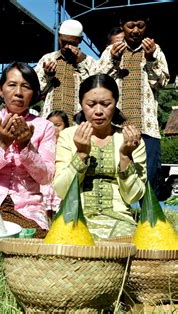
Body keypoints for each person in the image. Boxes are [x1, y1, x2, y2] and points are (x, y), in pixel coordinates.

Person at [0, 62, 56, 237]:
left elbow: (45, 178)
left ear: (34, 93)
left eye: (26, 87)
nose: (19, 93)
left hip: (27, 207)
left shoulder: (44, 127)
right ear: (0, 89)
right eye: (12, 85)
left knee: (31, 241)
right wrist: (2, 146)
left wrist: (26, 148)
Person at [54, 74, 147, 239]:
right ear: (81, 105)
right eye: (90, 104)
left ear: (115, 104)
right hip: (73, 216)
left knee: (124, 246)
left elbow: (133, 196)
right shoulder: (68, 136)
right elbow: (61, 190)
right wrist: (81, 154)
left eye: (106, 104)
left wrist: (125, 156)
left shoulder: (130, 140)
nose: (98, 111)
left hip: (119, 219)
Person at [97, 13, 169, 195]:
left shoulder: (156, 50)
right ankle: (121, 216)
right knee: (116, 173)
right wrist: (113, 59)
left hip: (147, 127)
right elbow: (99, 82)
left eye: (140, 25)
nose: (136, 30)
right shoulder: (110, 51)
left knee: (150, 177)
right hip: (116, 126)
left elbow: (162, 83)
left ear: (146, 26)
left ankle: (148, 219)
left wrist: (151, 58)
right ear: (122, 26)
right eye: (131, 26)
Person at [35, 19, 97, 124]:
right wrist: (48, 76)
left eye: (72, 43)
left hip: (78, 124)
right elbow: (36, 92)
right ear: (59, 36)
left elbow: (95, 92)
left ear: (80, 40)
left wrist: (81, 63)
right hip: (50, 123)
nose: (67, 47)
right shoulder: (47, 59)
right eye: (63, 42)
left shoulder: (90, 62)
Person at [41, 110, 70, 213]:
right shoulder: (43, 145)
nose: (53, 129)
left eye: (57, 125)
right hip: (45, 186)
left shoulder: (68, 145)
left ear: (66, 127)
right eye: (50, 125)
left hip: (60, 184)